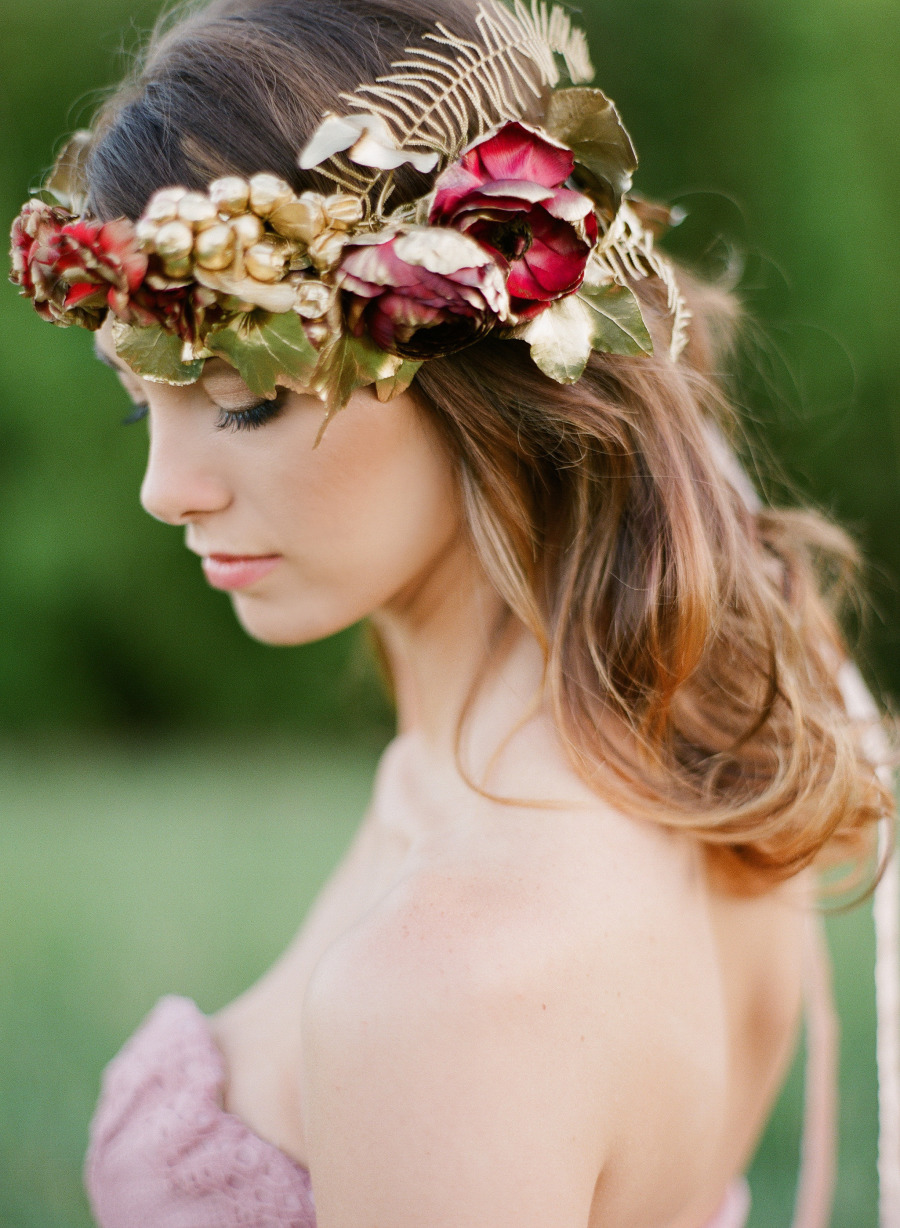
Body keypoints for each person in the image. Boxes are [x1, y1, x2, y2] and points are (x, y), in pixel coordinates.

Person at [9, 1, 897, 1226]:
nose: (166, 489)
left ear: (477, 355)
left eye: (246, 399)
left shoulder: (456, 990)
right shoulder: (697, 728)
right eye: (136, 405)